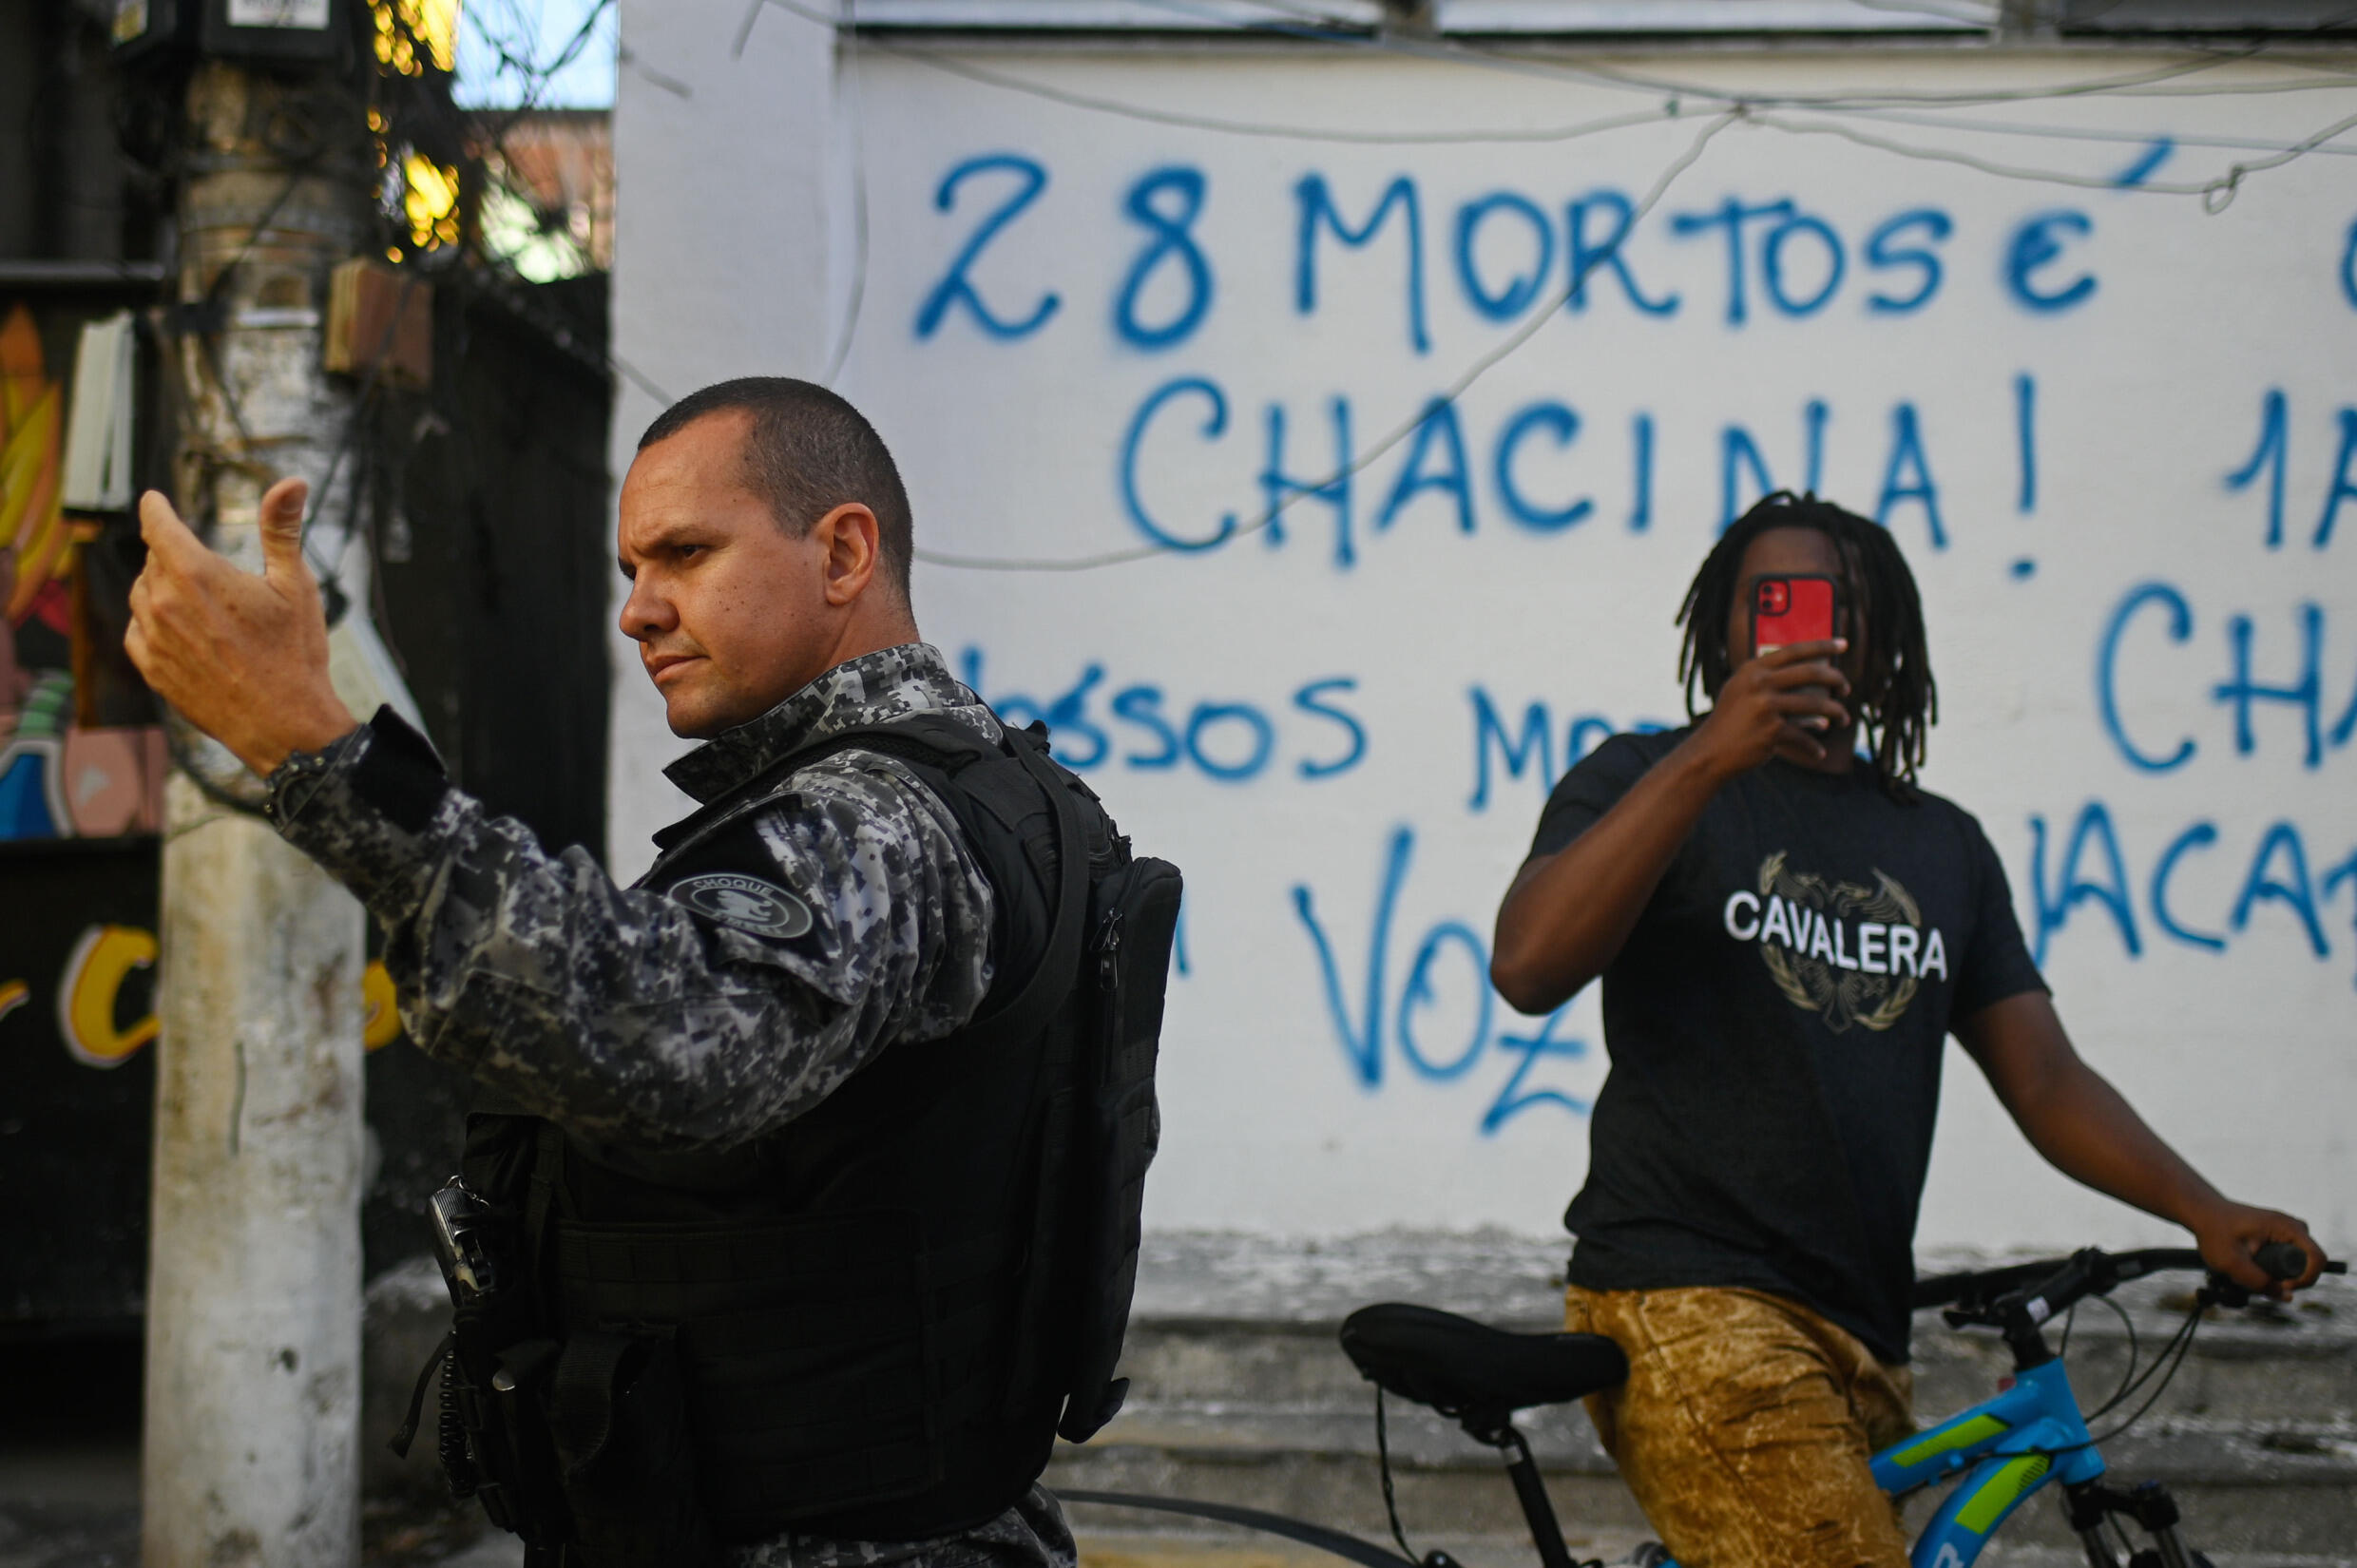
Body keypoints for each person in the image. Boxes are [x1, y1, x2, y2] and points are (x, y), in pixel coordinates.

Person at [124, 377, 1150, 1568]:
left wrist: (318, 748)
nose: (638, 611)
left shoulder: (884, 822)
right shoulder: (963, 792)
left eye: (685, 554)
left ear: (843, 553)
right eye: (629, 570)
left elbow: (664, 1039)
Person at [1488, 490, 2328, 1568]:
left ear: (1882, 642)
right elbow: (1526, 965)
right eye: (1767, 604)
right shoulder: (1642, 777)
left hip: (1862, 1333)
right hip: (1686, 1304)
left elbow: (2045, 1080)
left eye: (1835, 608)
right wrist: (1705, 757)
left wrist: (2203, 1209)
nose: (1797, 627)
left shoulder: (1943, 848)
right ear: (1721, 633)